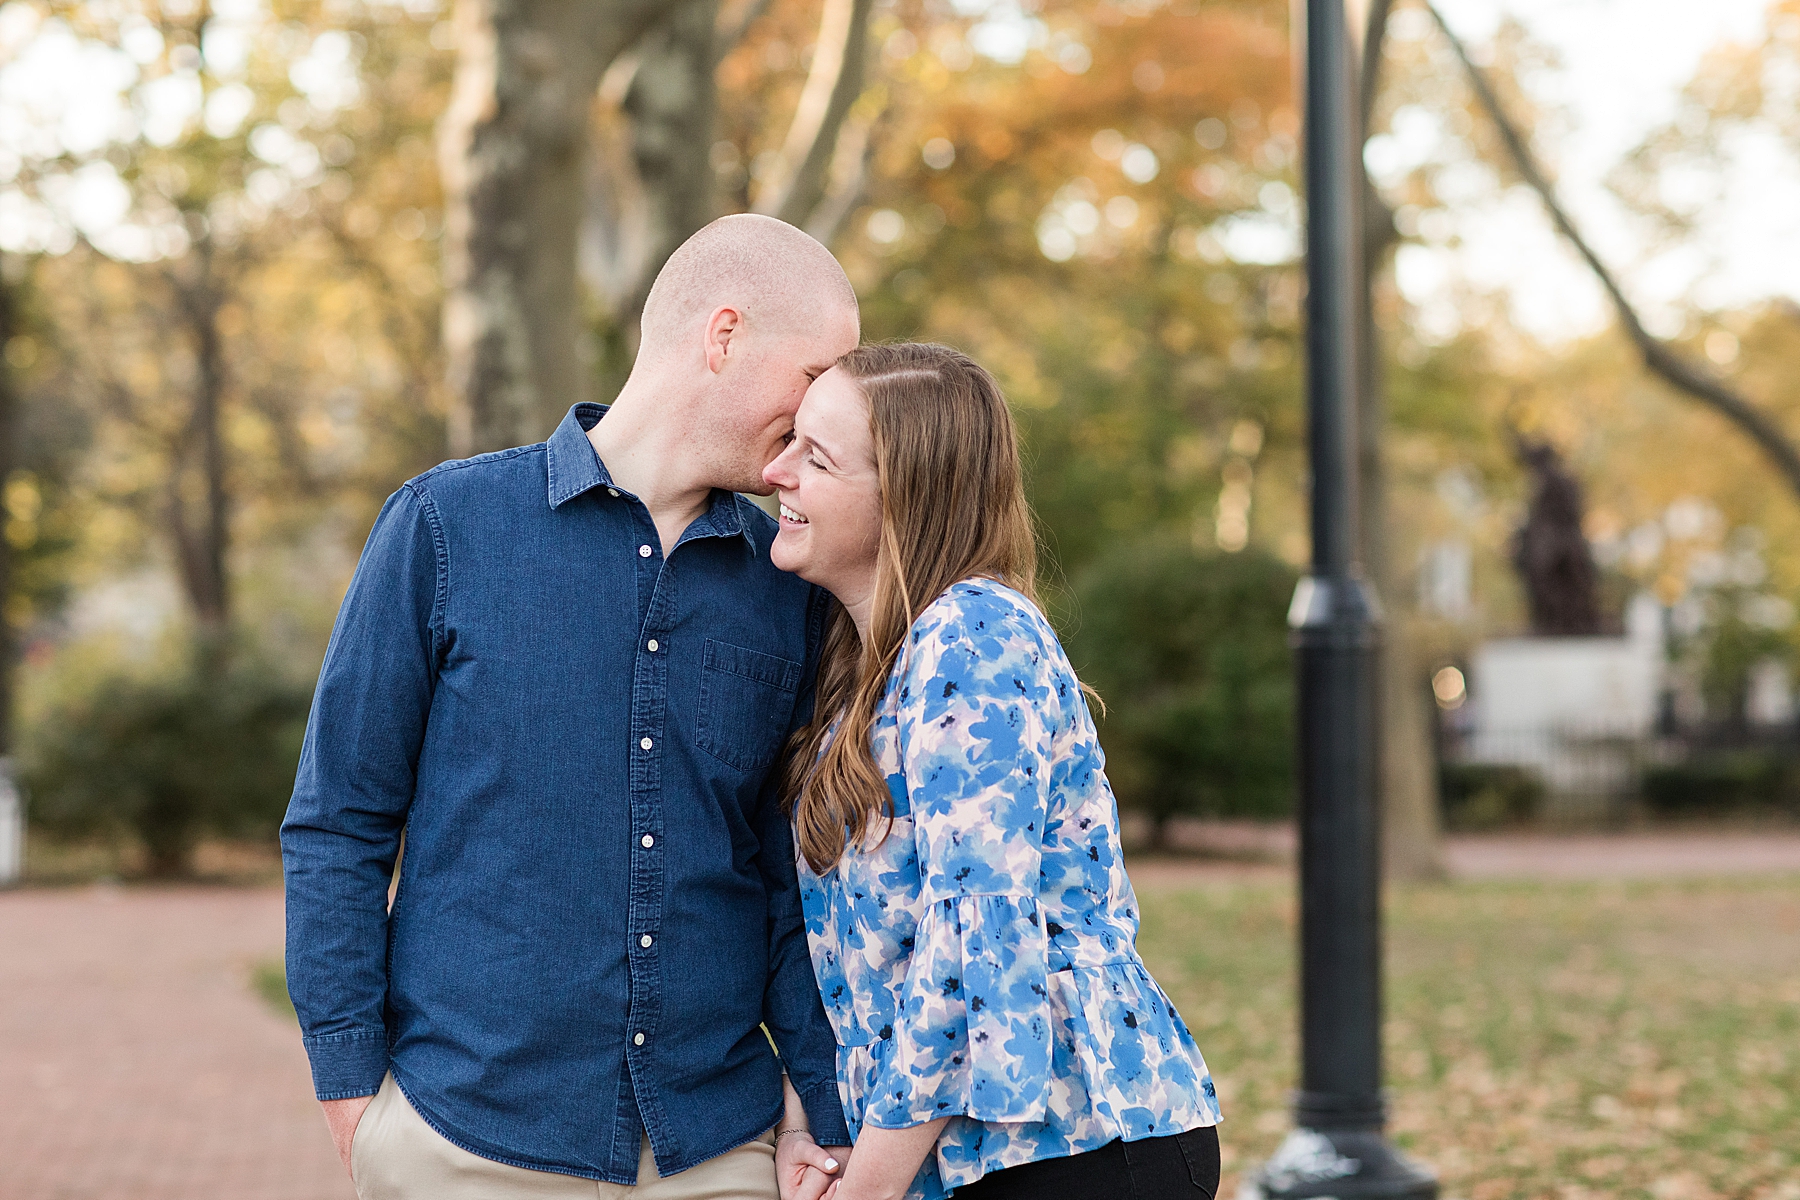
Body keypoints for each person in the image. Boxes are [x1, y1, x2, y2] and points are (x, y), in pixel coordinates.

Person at [281, 214, 857, 1200]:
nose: (819, 419)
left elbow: (787, 873)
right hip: (460, 1142)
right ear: (723, 335)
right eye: (814, 376)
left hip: (714, 1148)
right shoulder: (445, 527)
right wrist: (354, 1103)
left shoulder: (788, 588)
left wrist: (817, 1089)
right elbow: (338, 823)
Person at [759, 343, 1223, 1200]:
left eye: (814, 456)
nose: (775, 470)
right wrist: (808, 1126)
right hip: (946, 1160)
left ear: (904, 495)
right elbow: (835, 966)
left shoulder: (973, 634)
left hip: (1074, 1149)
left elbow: (974, 947)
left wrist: (867, 1188)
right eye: (788, 440)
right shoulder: (856, 670)